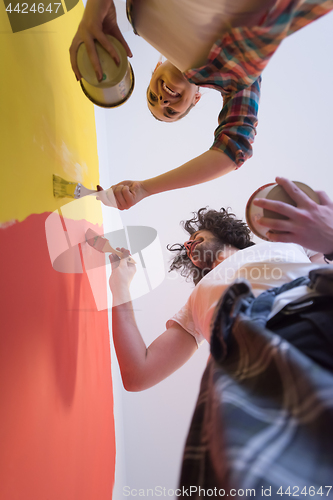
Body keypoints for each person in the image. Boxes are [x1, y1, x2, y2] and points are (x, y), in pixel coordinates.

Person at [70, 0, 333, 211]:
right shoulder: (234, 79)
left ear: (154, 70)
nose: (163, 101)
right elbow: (233, 150)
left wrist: (95, 9)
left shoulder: (137, 17)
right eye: (171, 111)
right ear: (196, 98)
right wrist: (144, 188)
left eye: (152, 97)